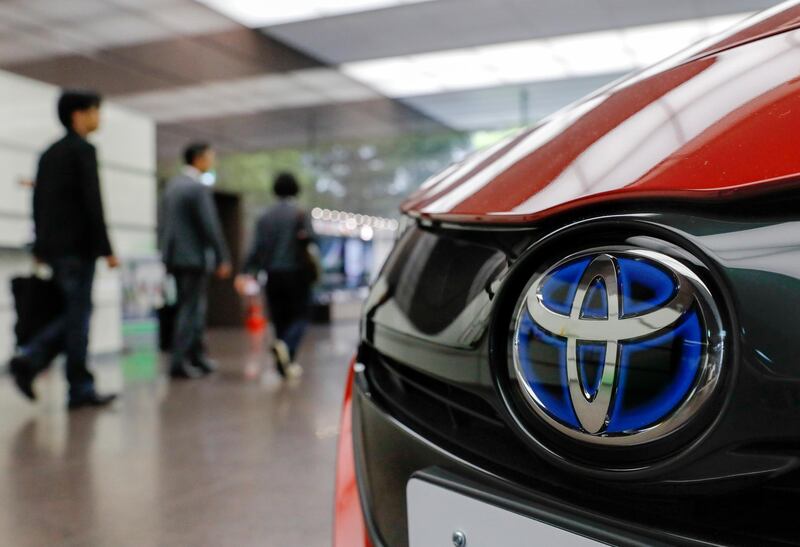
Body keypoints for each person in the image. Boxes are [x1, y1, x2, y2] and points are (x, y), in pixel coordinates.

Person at [8, 89, 119, 409]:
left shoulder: (48, 153)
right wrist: (106, 248)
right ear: (78, 114)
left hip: (55, 250)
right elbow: (93, 202)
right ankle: (71, 381)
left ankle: (35, 360)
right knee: (77, 316)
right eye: (96, 111)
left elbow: (38, 202)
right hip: (79, 250)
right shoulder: (83, 151)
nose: (99, 118)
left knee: (71, 313)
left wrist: (41, 245)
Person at [159, 142, 232, 379]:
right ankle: (180, 361)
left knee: (187, 307)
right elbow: (210, 226)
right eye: (210, 157)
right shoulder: (197, 188)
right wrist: (222, 256)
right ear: (199, 159)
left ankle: (197, 356)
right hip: (193, 258)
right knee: (192, 309)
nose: (212, 161)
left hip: (175, 257)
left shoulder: (172, 186)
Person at [239, 172, 316, 378]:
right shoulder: (300, 213)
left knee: (280, 317)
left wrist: (245, 271)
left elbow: (256, 247)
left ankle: (285, 365)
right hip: (297, 274)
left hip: (272, 274)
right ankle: (286, 346)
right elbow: (313, 240)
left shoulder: (265, 217)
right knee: (300, 315)